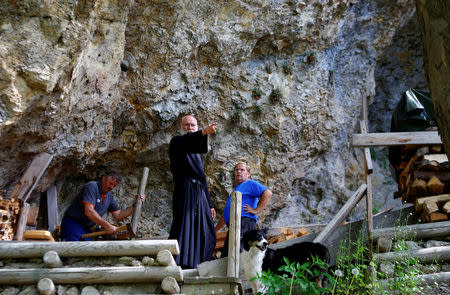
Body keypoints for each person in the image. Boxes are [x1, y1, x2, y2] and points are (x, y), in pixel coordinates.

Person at [168, 115, 217, 269]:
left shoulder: (196, 153)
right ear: (182, 127)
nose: (190, 127)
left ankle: (200, 262)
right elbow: (187, 142)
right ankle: (179, 262)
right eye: (187, 125)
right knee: (184, 225)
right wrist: (203, 132)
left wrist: (210, 204)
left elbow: (202, 178)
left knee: (207, 229)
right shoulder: (176, 142)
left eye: (193, 125)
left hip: (199, 192)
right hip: (185, 189)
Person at [61, 169, 145, 241]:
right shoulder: (92, 187)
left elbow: (119, 215)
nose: (112, 187)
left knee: (85, 253)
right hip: (73, 224)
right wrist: (107, 226)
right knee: (72, 252)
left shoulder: (109, 197)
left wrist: (135, 205)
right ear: (104, 179)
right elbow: (89, 211)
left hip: (86, 229)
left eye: (114, 185)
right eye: (110, 183)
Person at [215, 161, 272, 257]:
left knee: (240, 256)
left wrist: (256, 210)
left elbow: (268, 193)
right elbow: (225, 215)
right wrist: (216, 229)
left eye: (242, 170)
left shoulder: (250, 183)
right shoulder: (235, 191)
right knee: (227, 257)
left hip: (245, 224)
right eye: (237, 170)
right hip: (234, 225)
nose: (239, 172)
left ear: (248, 174)